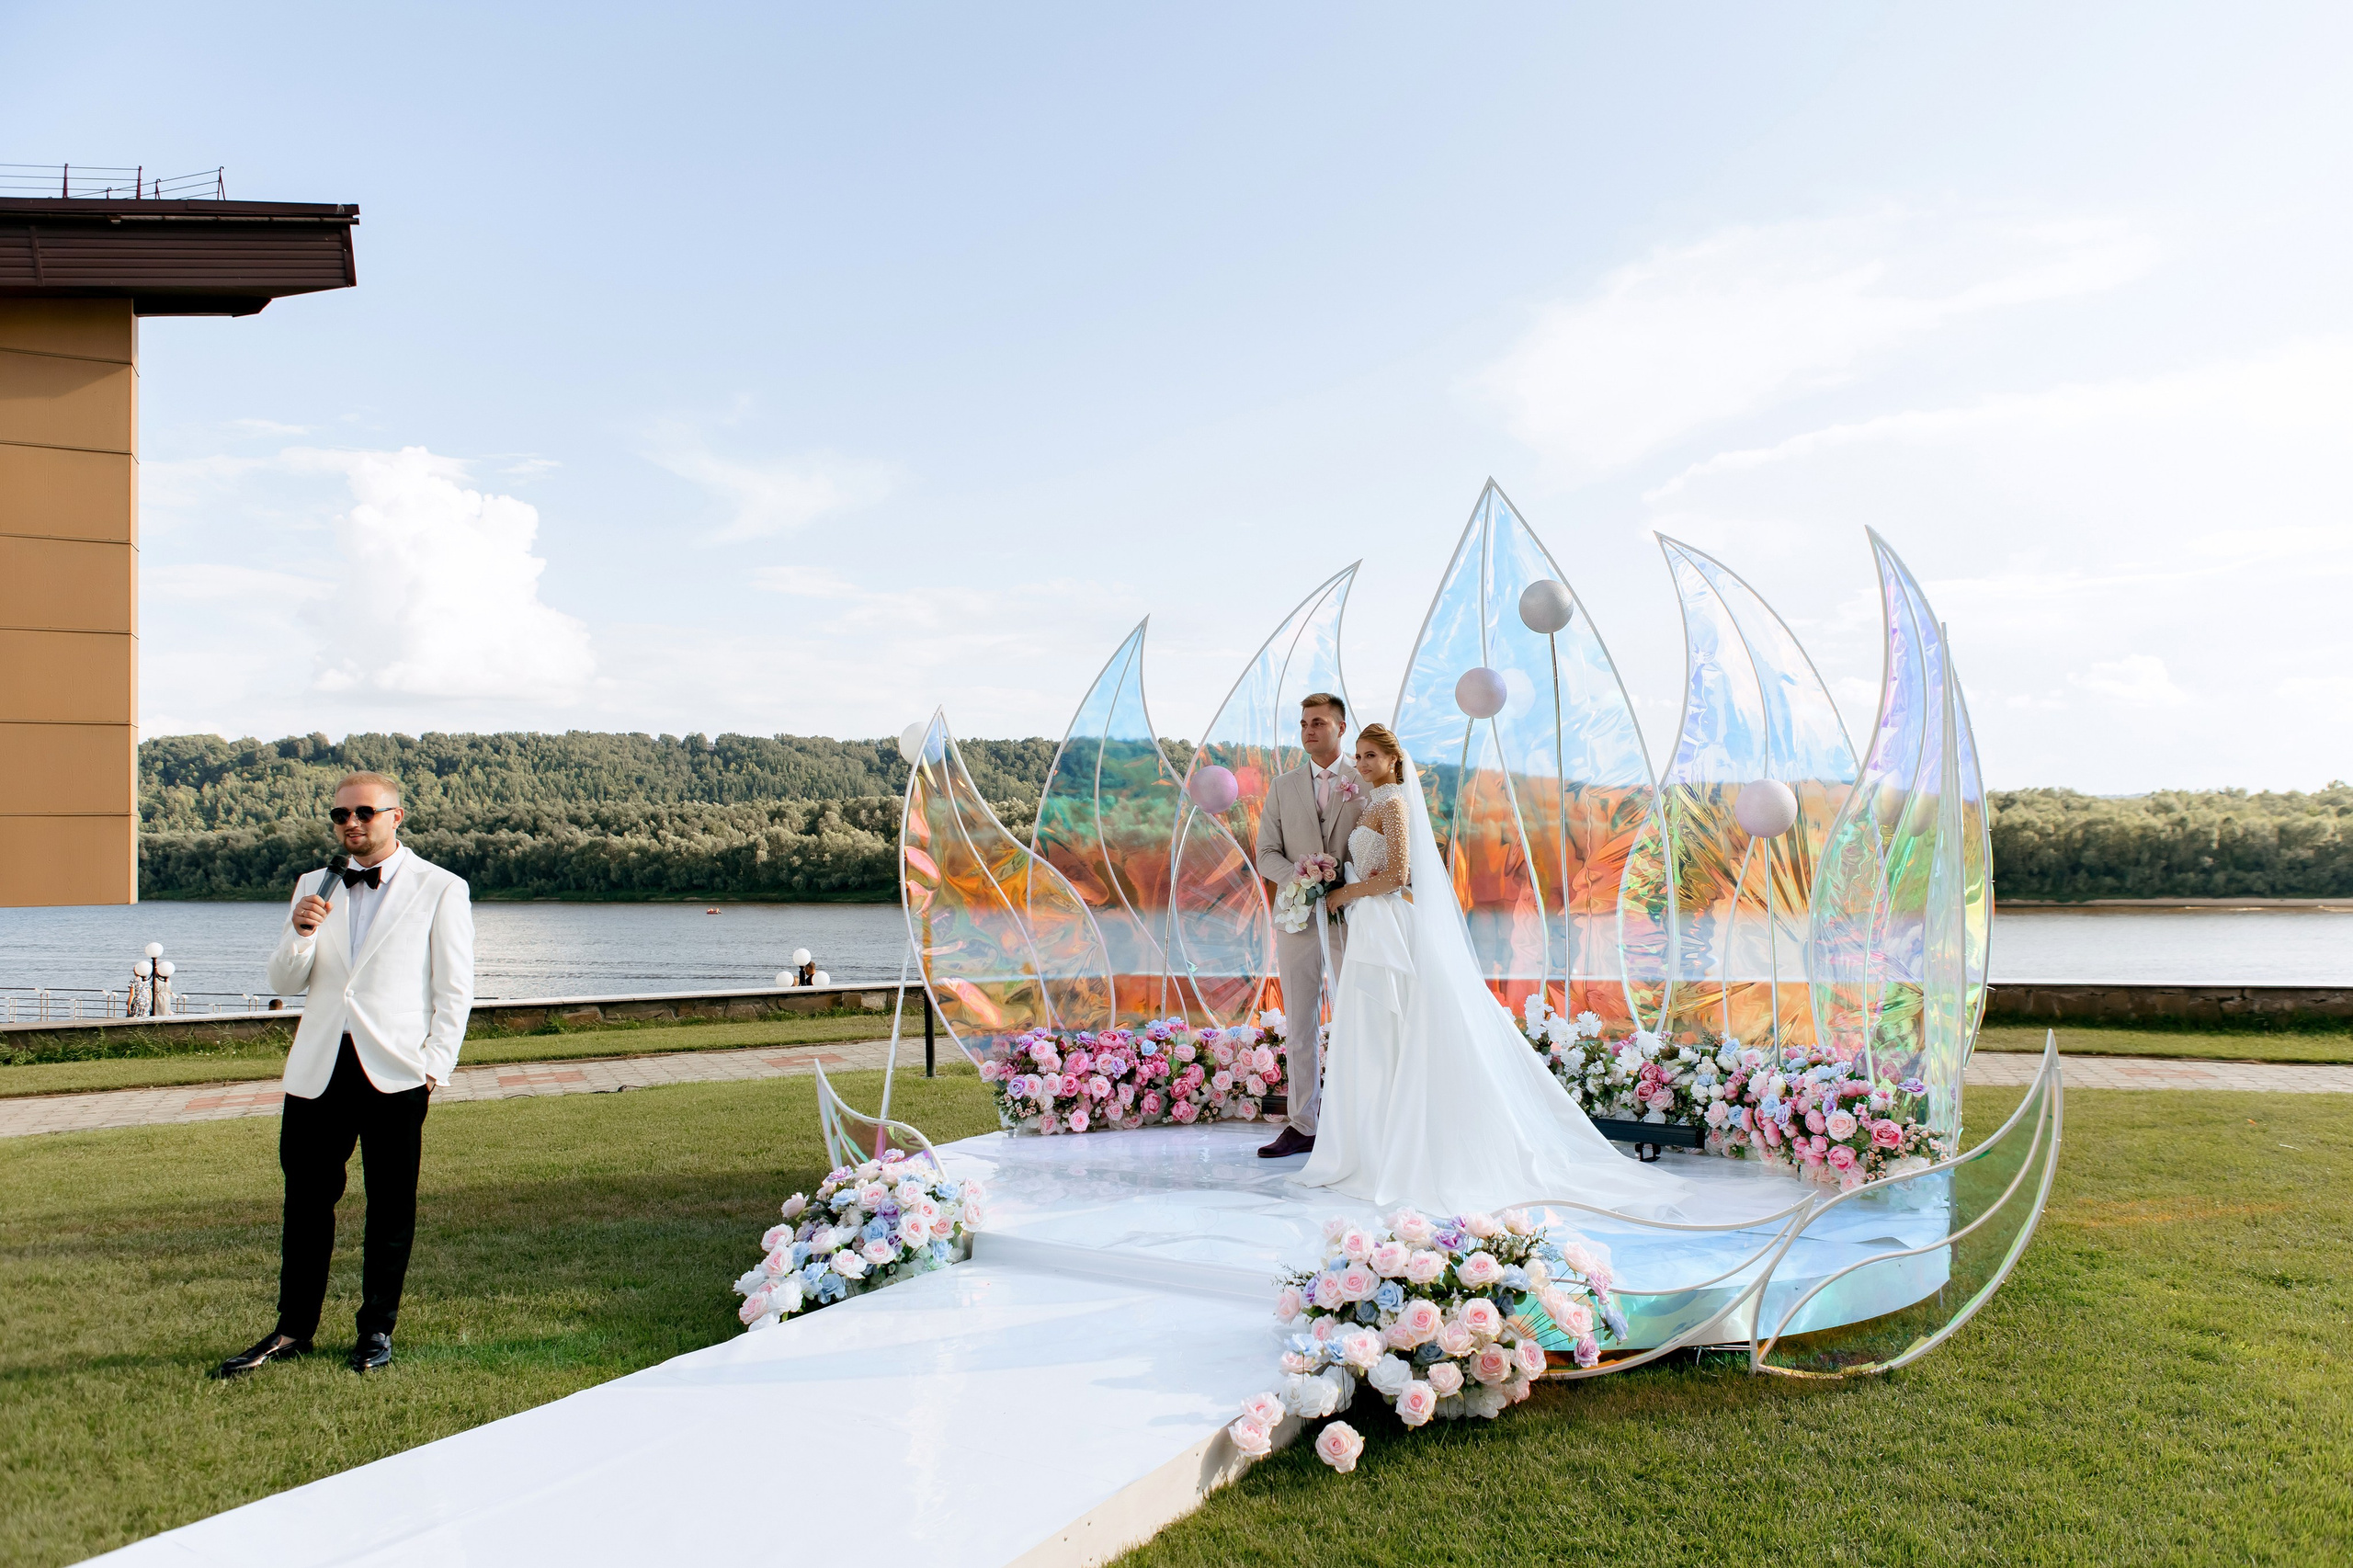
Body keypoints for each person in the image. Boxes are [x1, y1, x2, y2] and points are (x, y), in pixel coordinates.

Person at [1299, 726, 1688, 1217]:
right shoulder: (1374, 803)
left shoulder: (1395, 804)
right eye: (1358, 756)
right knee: (1378, 1035)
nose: (1362, 763)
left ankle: (1400, 1146)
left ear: (1395, 761)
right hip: (1374, 928)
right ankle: (1375, 1140)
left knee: (1395, 1029)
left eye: (1372, 755)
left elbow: (1398, 876)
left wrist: (1343, 893)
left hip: (1388, 925)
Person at [217, 772, 475, 1378]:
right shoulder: (314, 884)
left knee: (390, 1208)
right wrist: (301, 931)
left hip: (395, 1073)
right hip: (316, 1072)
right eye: (339, 815)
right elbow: (283, 982)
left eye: (364, 812)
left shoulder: (439, 888)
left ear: (396, 815)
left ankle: (375, 1331)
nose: (350, 823)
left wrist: (434, 1067)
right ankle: (292, 1331)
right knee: (305, 1205)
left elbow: (454, 989)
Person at [1252, 692, 1362, 1159]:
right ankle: (1302, 1125)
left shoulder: (1365, 782)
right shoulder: (1283, 786)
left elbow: (1377, 849)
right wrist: (1299, 877)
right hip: (1295, 919)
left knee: (1359, 1018)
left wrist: (1341, 880)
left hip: (1349, 917)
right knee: (1299, 1022)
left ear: (1340, 727)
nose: (1308, 730)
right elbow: (1266, 854)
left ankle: (1357, 1125)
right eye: (1303, 724)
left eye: (1318, 722)